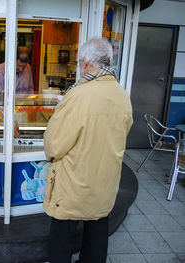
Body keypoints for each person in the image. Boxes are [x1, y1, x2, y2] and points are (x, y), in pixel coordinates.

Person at [43, 38, 133, 263]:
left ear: (85, 62)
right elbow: (123, 132)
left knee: (61, 240)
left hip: (74, 185)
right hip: (105, 183)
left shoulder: (78, 95)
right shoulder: (122, 95)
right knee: (96, 236)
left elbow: (54, 146)